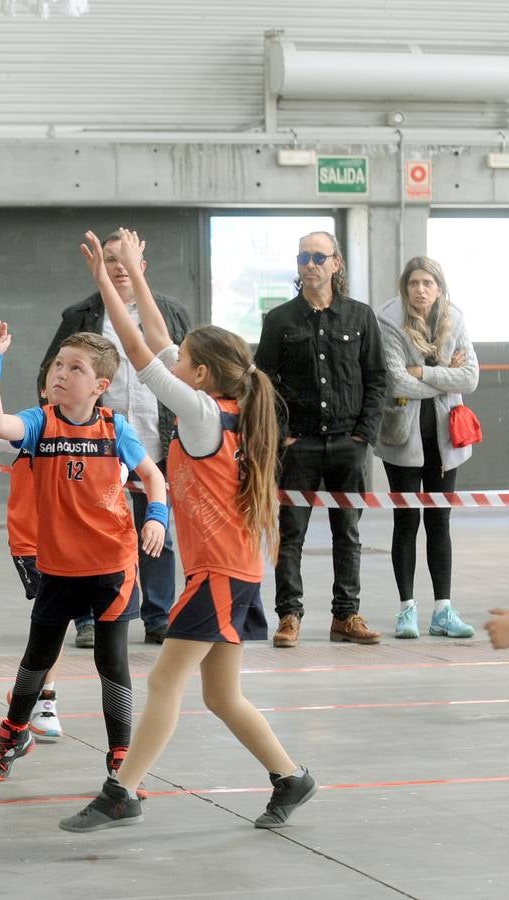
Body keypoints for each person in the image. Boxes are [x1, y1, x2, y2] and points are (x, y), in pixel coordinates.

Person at [59, 228, 316, 833]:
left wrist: (107, 282)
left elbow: (140, 347)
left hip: (222, 572)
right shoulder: (221, 407)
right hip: (231, 569)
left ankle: (122, 790)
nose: (171, 359)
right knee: (221, 696)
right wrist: (134, 277)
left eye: (181, 362)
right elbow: (159, 339)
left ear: (199, 376)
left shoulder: (200, 416)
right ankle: (290, 776)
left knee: (166, 677)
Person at [0, 320, 168, 788]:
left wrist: (157, 515)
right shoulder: (42, 422)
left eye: (74, 368)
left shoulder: (114, 427)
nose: (60, 373)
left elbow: (153, 475)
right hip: (59, 566)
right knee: (36, 660)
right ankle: (13, 733)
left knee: (112, 663)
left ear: (100, 386)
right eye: (58, 364)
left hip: (113, 566)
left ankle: (122, 756)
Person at [43, 229, 190, 648]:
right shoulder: (80, 315)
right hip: (95, 446)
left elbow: (183, 366)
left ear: (142, 267)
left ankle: (158, 614)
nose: (119, 266)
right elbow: (51, 370)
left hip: (155, 441)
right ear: (99, 267)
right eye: (110, 259)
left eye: (126, 259)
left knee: (156, 527)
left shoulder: (169, 312)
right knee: (92, 529)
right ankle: (88, 616)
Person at [255, 231, 386, 648]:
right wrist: (282, 434)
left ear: (336, 264)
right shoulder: (279, 321)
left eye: (318, 257)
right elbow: (263, 384)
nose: (309, 264)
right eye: (303, 257)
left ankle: (346, 616)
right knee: (290, 532)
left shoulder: (361, 317)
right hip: (300, 445)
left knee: (347, 532)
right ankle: (289, 616)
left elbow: (377, 379)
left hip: (349, 443)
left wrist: (364, 435)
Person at [0, 361, 69, 740]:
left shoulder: (106, 434)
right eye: (56, 374)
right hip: (32, 542)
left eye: (75, 371)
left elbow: (118, 477)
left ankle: (35, 693)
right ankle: (46, 699)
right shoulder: (28, 428)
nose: (63, 379)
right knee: (49, 618)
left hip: (79, 545)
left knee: (58, 622)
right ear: (43, 392)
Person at [374, 257, 479, 639]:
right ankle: (407, 610)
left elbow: (469, 378)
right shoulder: (388, 319)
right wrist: (442, 378)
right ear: (406, 287)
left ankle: (443, 611)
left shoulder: (456, 318)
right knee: (406, 521)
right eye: (415, 282)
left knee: (440, 521)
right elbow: (398, 382)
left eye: (428, 283)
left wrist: (425, 372)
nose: (421, 289)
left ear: (439, 288)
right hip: (402, 433)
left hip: (445, 436)